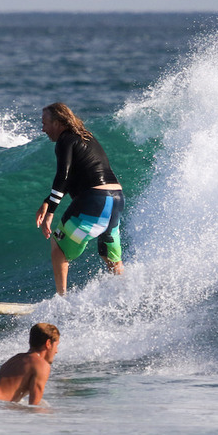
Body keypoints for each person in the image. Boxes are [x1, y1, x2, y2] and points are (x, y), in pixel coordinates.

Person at [34, 102, 124, 295]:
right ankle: (124, 294)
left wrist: (50, 212)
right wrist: (47, 201)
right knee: (109, 254)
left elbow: (63, 176)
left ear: (58, 122)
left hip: (95, 200)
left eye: (45, 123)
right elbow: (73, 180)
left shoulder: (65, 140)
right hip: (116, 199)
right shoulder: (86, 137)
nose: (42, 128)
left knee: (58, 245)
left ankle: (62, 299)